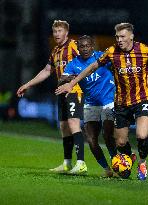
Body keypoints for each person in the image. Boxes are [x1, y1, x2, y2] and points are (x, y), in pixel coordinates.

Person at [55, 23, 148, 180]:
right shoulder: (110, 53)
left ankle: (141, 163)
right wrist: (70, 83)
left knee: (138, 135)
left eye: (122, 36)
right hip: (114, 103)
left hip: (133, 99)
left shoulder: (143, 49)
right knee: (113, 141)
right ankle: (116, 165)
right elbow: (91, 68)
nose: (119, 40)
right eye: (117, 37)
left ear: (131, 36)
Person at [16, 20, 87, 174]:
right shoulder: (55, 51)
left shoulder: (75, 45)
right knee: (63, 127)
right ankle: (67, 163)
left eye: (60, 31)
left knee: (74, 123)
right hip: (61, 92)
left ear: (66, 33)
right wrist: (28, 84)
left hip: (75, 90)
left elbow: (89, 63)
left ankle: (81, 163)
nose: (56, 34)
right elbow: (47, 71)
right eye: (55, 32)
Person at [61, 35, 117, 177]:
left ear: (93, 46)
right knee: (91, 140)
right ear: (78, 48)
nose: (85, 49)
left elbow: (119, 65)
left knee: (107, 134)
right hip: (91, 104)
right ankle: (107, 169)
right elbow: (63, 77)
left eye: (87, 46)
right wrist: (69, 78)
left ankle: (117, 162)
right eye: (82, 46)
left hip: (108, 101)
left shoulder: (102, 57)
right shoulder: (74, 63)